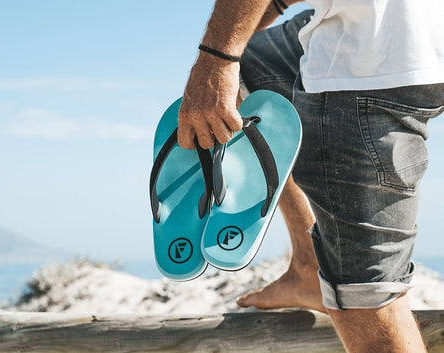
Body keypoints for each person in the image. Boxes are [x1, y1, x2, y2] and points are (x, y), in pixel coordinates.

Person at [177, 1, 444, 352]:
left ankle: (346, 285)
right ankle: (308, 265)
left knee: (369, 305)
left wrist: (215, 58)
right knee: (252, 68)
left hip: (365, 66)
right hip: (421, 32)